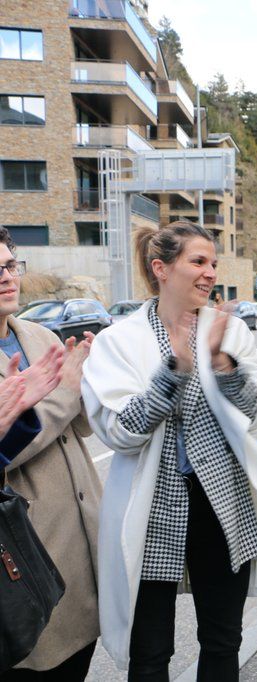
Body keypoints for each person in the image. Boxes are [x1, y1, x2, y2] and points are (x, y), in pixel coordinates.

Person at [81, 221, 257, 681]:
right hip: (153, 513)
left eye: (213, 262)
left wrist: (223, 365)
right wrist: (175, 369)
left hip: (222, 504)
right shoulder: (120, 341)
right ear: (161, 268)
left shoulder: (228, 332)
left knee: (223, 639)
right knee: (149, 651)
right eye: (198, 261)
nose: (210, 272)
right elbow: (122, 430)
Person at [0, 228, 102, 682]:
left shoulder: (39, 333)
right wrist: (61, 398)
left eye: (9, 265)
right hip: (26, 554)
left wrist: (85, 386)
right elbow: (12, 447)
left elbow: (77, 428)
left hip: (79, 546)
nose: (7, 278)